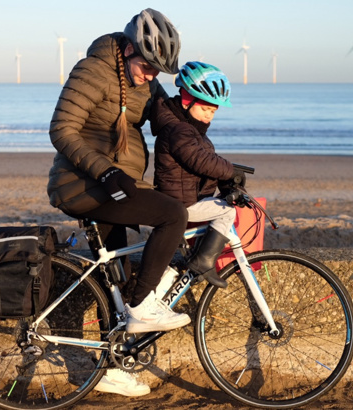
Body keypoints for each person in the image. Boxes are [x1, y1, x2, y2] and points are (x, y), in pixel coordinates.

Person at [47, 9, 190, 396]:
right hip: (83, 184)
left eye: (157, 71)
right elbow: (61, 129)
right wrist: (107, 172)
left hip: (117, 185)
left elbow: (166, 121)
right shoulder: (93, 71)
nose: (150, 76)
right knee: (172, 216)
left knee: (117, 273)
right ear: (127, 49)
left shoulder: (144, 82)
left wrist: (197, 125)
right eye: (146, 67)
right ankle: (143, 306)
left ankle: (110, 367)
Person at [151, 61, 244, 289]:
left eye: (213, 111)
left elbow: (206, 160)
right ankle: (203, 260)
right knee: (226, 212)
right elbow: (199, 160)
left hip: (184, 200)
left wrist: (226, 177)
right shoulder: (178, 129)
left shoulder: (188, 127)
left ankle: (195, 260)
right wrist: (232, 170)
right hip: (180, 203)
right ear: (186, 100)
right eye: (205, 109)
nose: (208, 117)